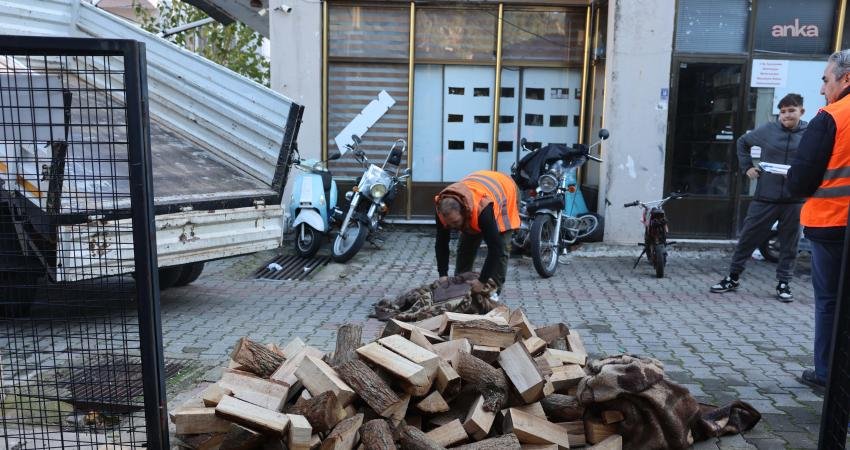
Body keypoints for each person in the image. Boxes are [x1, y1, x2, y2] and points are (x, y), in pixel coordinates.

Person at [787, 49, 850, 390]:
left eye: (826, 80)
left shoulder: (832, 117)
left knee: (830, 302)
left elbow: (800, 180)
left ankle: (827, 372)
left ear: (846, 79)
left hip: (832, 224)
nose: (822, 89)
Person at [710, 93, 808, 302]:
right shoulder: (768, 130)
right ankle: (733, 277)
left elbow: (818, 157)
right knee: (748, 238)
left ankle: (784, 283)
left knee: (789, 244)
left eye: (791, 110)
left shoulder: (810, 133)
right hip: (765, 197)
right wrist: (747, 168)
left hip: (794, 199)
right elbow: (742, 142)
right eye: (782, 112)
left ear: (802, 111)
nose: (786, 115)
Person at [434, 170, 521, 298]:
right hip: (480, 186)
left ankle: (493, 291)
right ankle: (461, 287)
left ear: (464, 211)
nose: (453, 227)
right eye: (449, 224)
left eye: (455, 222)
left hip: (505, 191)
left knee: (501, 246)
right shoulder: (441, 210)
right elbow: (441, 243)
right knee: (465, 247)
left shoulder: (482, 210)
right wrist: (443, 275)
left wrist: (482, 281)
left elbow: (495, 249)